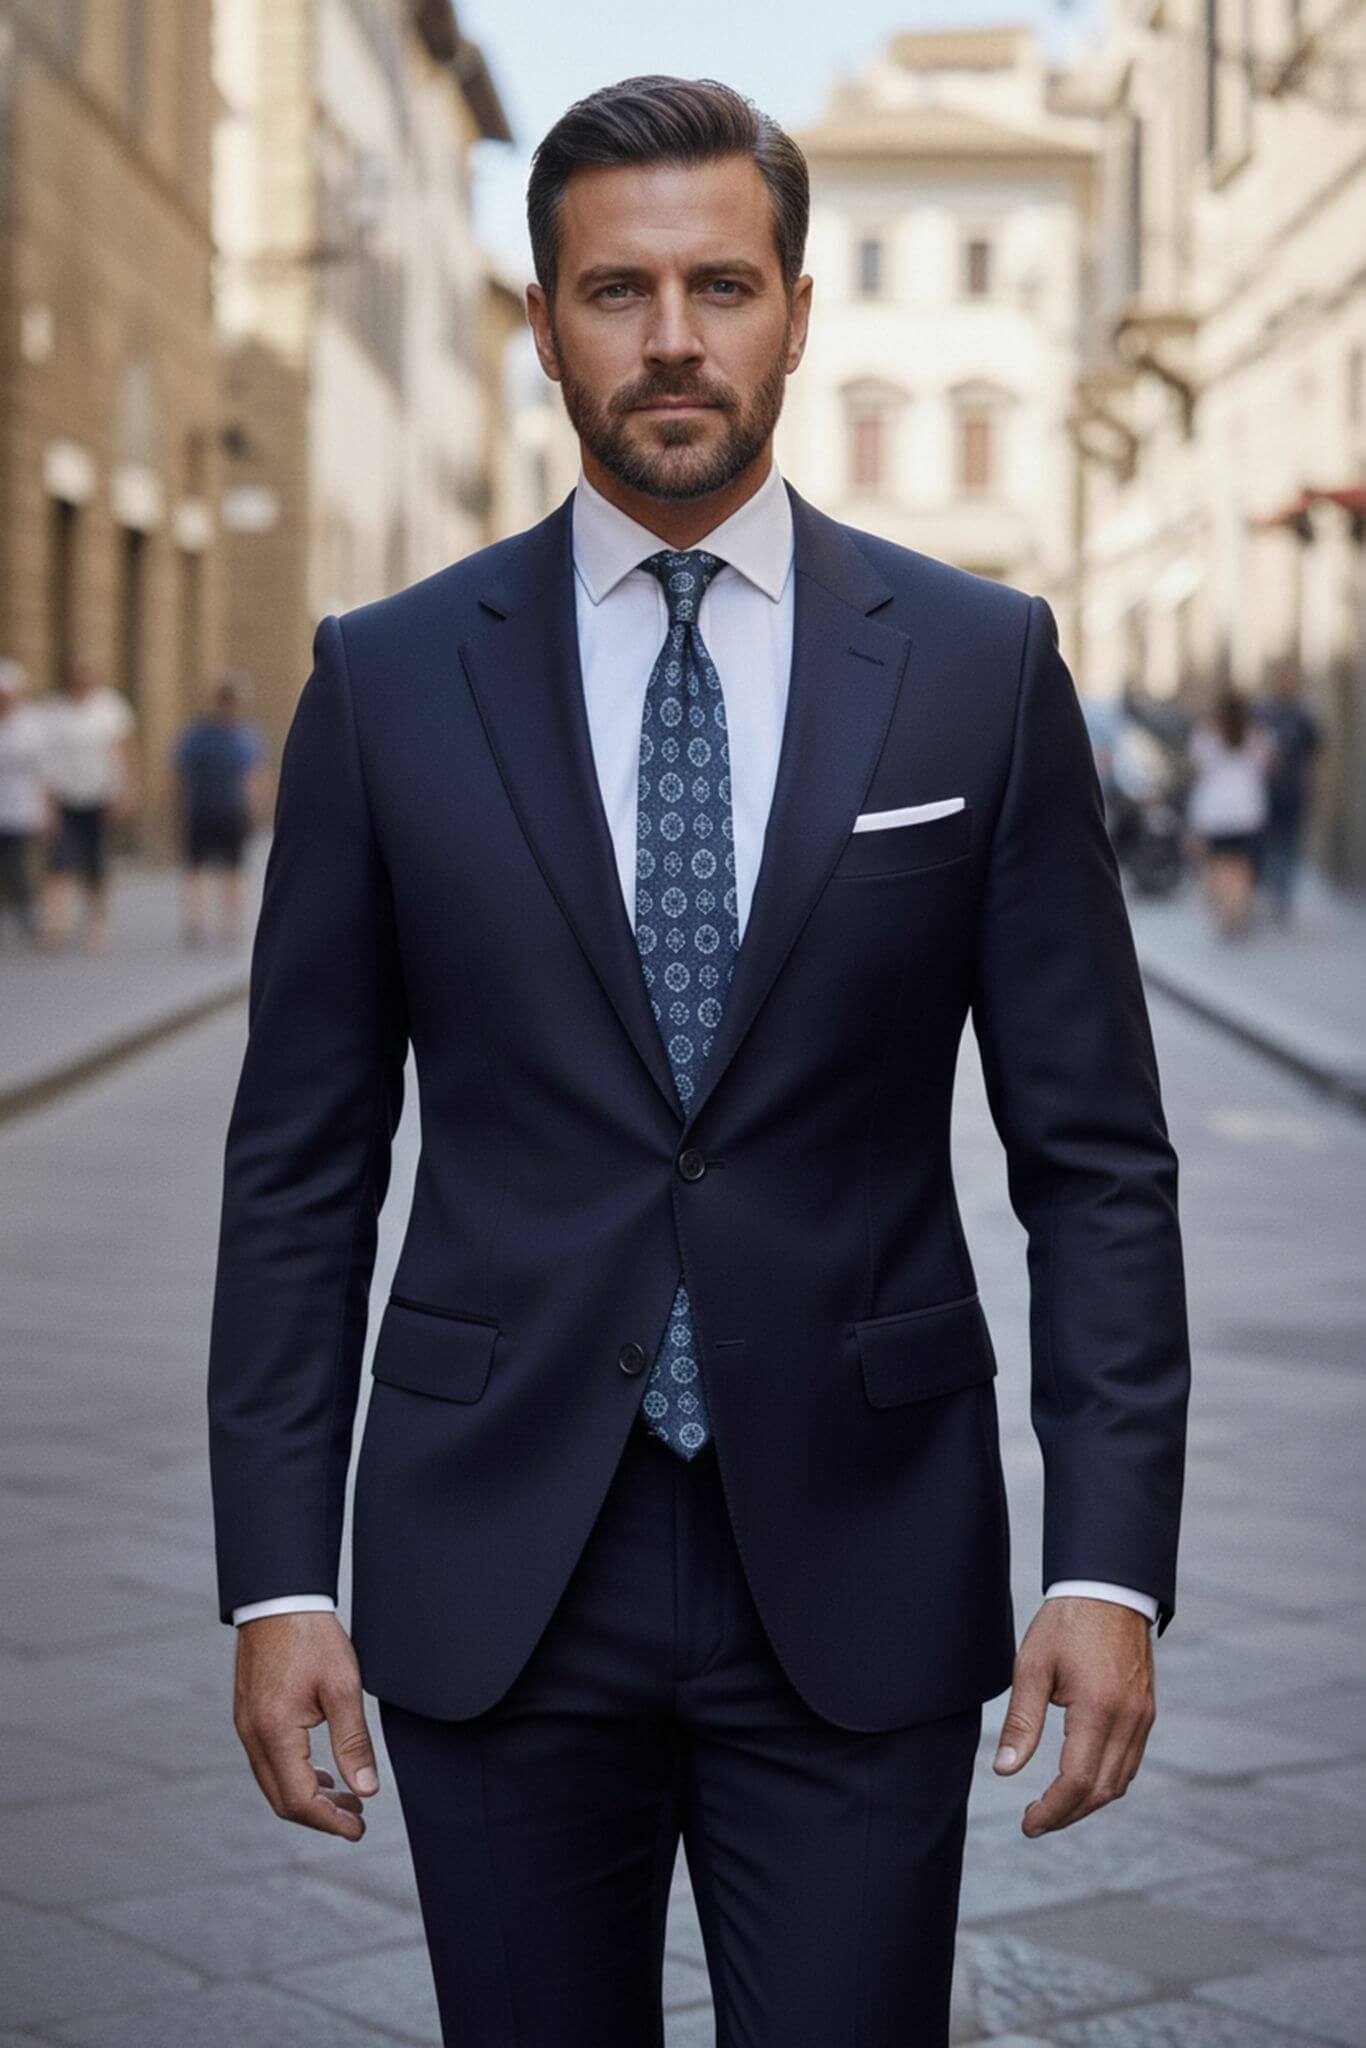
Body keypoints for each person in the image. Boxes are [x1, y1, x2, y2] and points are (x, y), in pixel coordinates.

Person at [209, 77, 1191, 2048]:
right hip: (497, 1562)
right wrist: (273, 1582)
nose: (672, 338)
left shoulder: (976, 664)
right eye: (616, 290)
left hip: (863, 1553)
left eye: (721, 285)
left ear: (798, 312)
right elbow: (300, 1165)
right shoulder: (388, 679)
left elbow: (1089, 1157)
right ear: (543, 318)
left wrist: (1109, 1565)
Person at [37, 655, 139, 953]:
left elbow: (125, 750)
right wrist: (45, 801)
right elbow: (45, 758)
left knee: (94, 863)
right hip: (64, 795)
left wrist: (127, 789)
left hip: (99, 795)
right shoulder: (54, 710)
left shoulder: (110, 708)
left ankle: (97, 920)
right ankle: (55, 924)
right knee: (58, 861)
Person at [172, 670, 268, 948]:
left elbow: (254, 777)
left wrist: (257, 807)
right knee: (200, 869)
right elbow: (181, 774)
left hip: (229, 811)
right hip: (207, 809)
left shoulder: (241, 736)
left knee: (231, 870)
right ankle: (198, 923)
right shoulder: (206, 735)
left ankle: (227, 924)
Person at [1186, 682, 1274, 939]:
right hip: (1246, 811)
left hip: (1213, 812)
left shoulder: (1206, 735)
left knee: (1218, 865)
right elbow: (1265, 768)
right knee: (1240, 866)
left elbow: (1195, 768)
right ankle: (1237, 911)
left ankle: (1225, 914)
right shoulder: (1257, 736)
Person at [1255, 654, 1321, 924]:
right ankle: (1269, 891)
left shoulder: (1302, 715)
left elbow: (1315, 753)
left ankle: (1283, 897)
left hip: (1292, 791)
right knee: (1266, 844)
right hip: (1263, 792)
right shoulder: (1262, 713)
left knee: (1289, 844)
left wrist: (1311, 785)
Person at [0, 658, 51, 948]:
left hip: (21, 808)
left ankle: (27, 916)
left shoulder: (31, 725)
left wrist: (47, 809)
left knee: (20, 866)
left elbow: (44, 771)